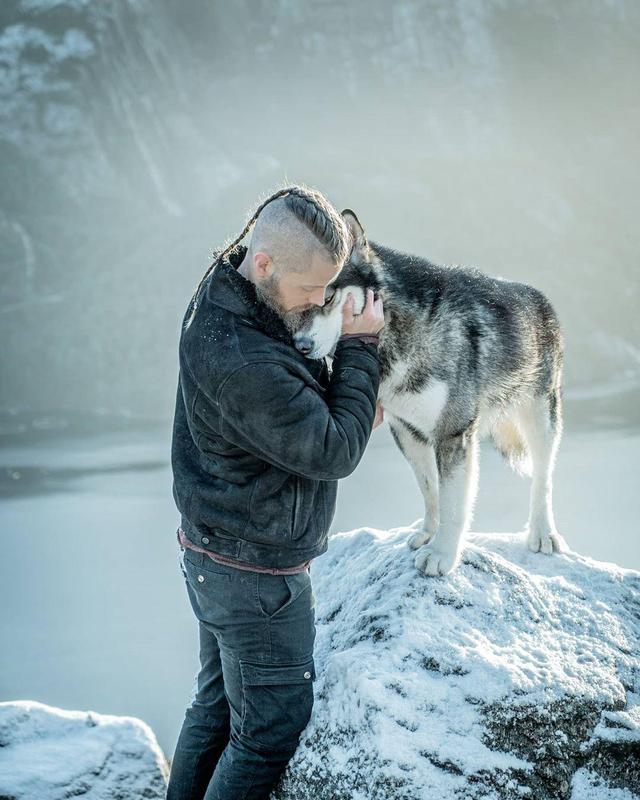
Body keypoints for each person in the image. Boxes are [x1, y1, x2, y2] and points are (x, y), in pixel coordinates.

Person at [166, 184, 385, 800]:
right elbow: (334, 450)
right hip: (256, 575)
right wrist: (362, 348)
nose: (324, 302)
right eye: (313, 289)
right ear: (264, 264)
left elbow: (288, 398)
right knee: (268, 732)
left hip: (212, 551)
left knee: (214, 710)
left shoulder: (227, 288)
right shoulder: (242, 360)